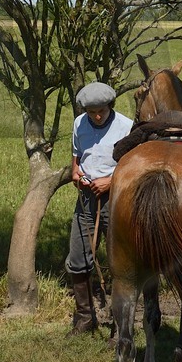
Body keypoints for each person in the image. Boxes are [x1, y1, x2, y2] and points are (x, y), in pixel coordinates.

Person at [66, 81, 133, 335]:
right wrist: (76, 173)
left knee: (121, 263)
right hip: (85, 198)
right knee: (77, 259)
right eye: (92, 111)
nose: (96, 116)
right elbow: (76, 158)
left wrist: (111, 181)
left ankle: (120, 327)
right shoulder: (79, 124)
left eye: (101, 111)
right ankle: (85, 318)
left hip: (117, 199)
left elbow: (135, 168)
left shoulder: (126, 127)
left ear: (110, 106)